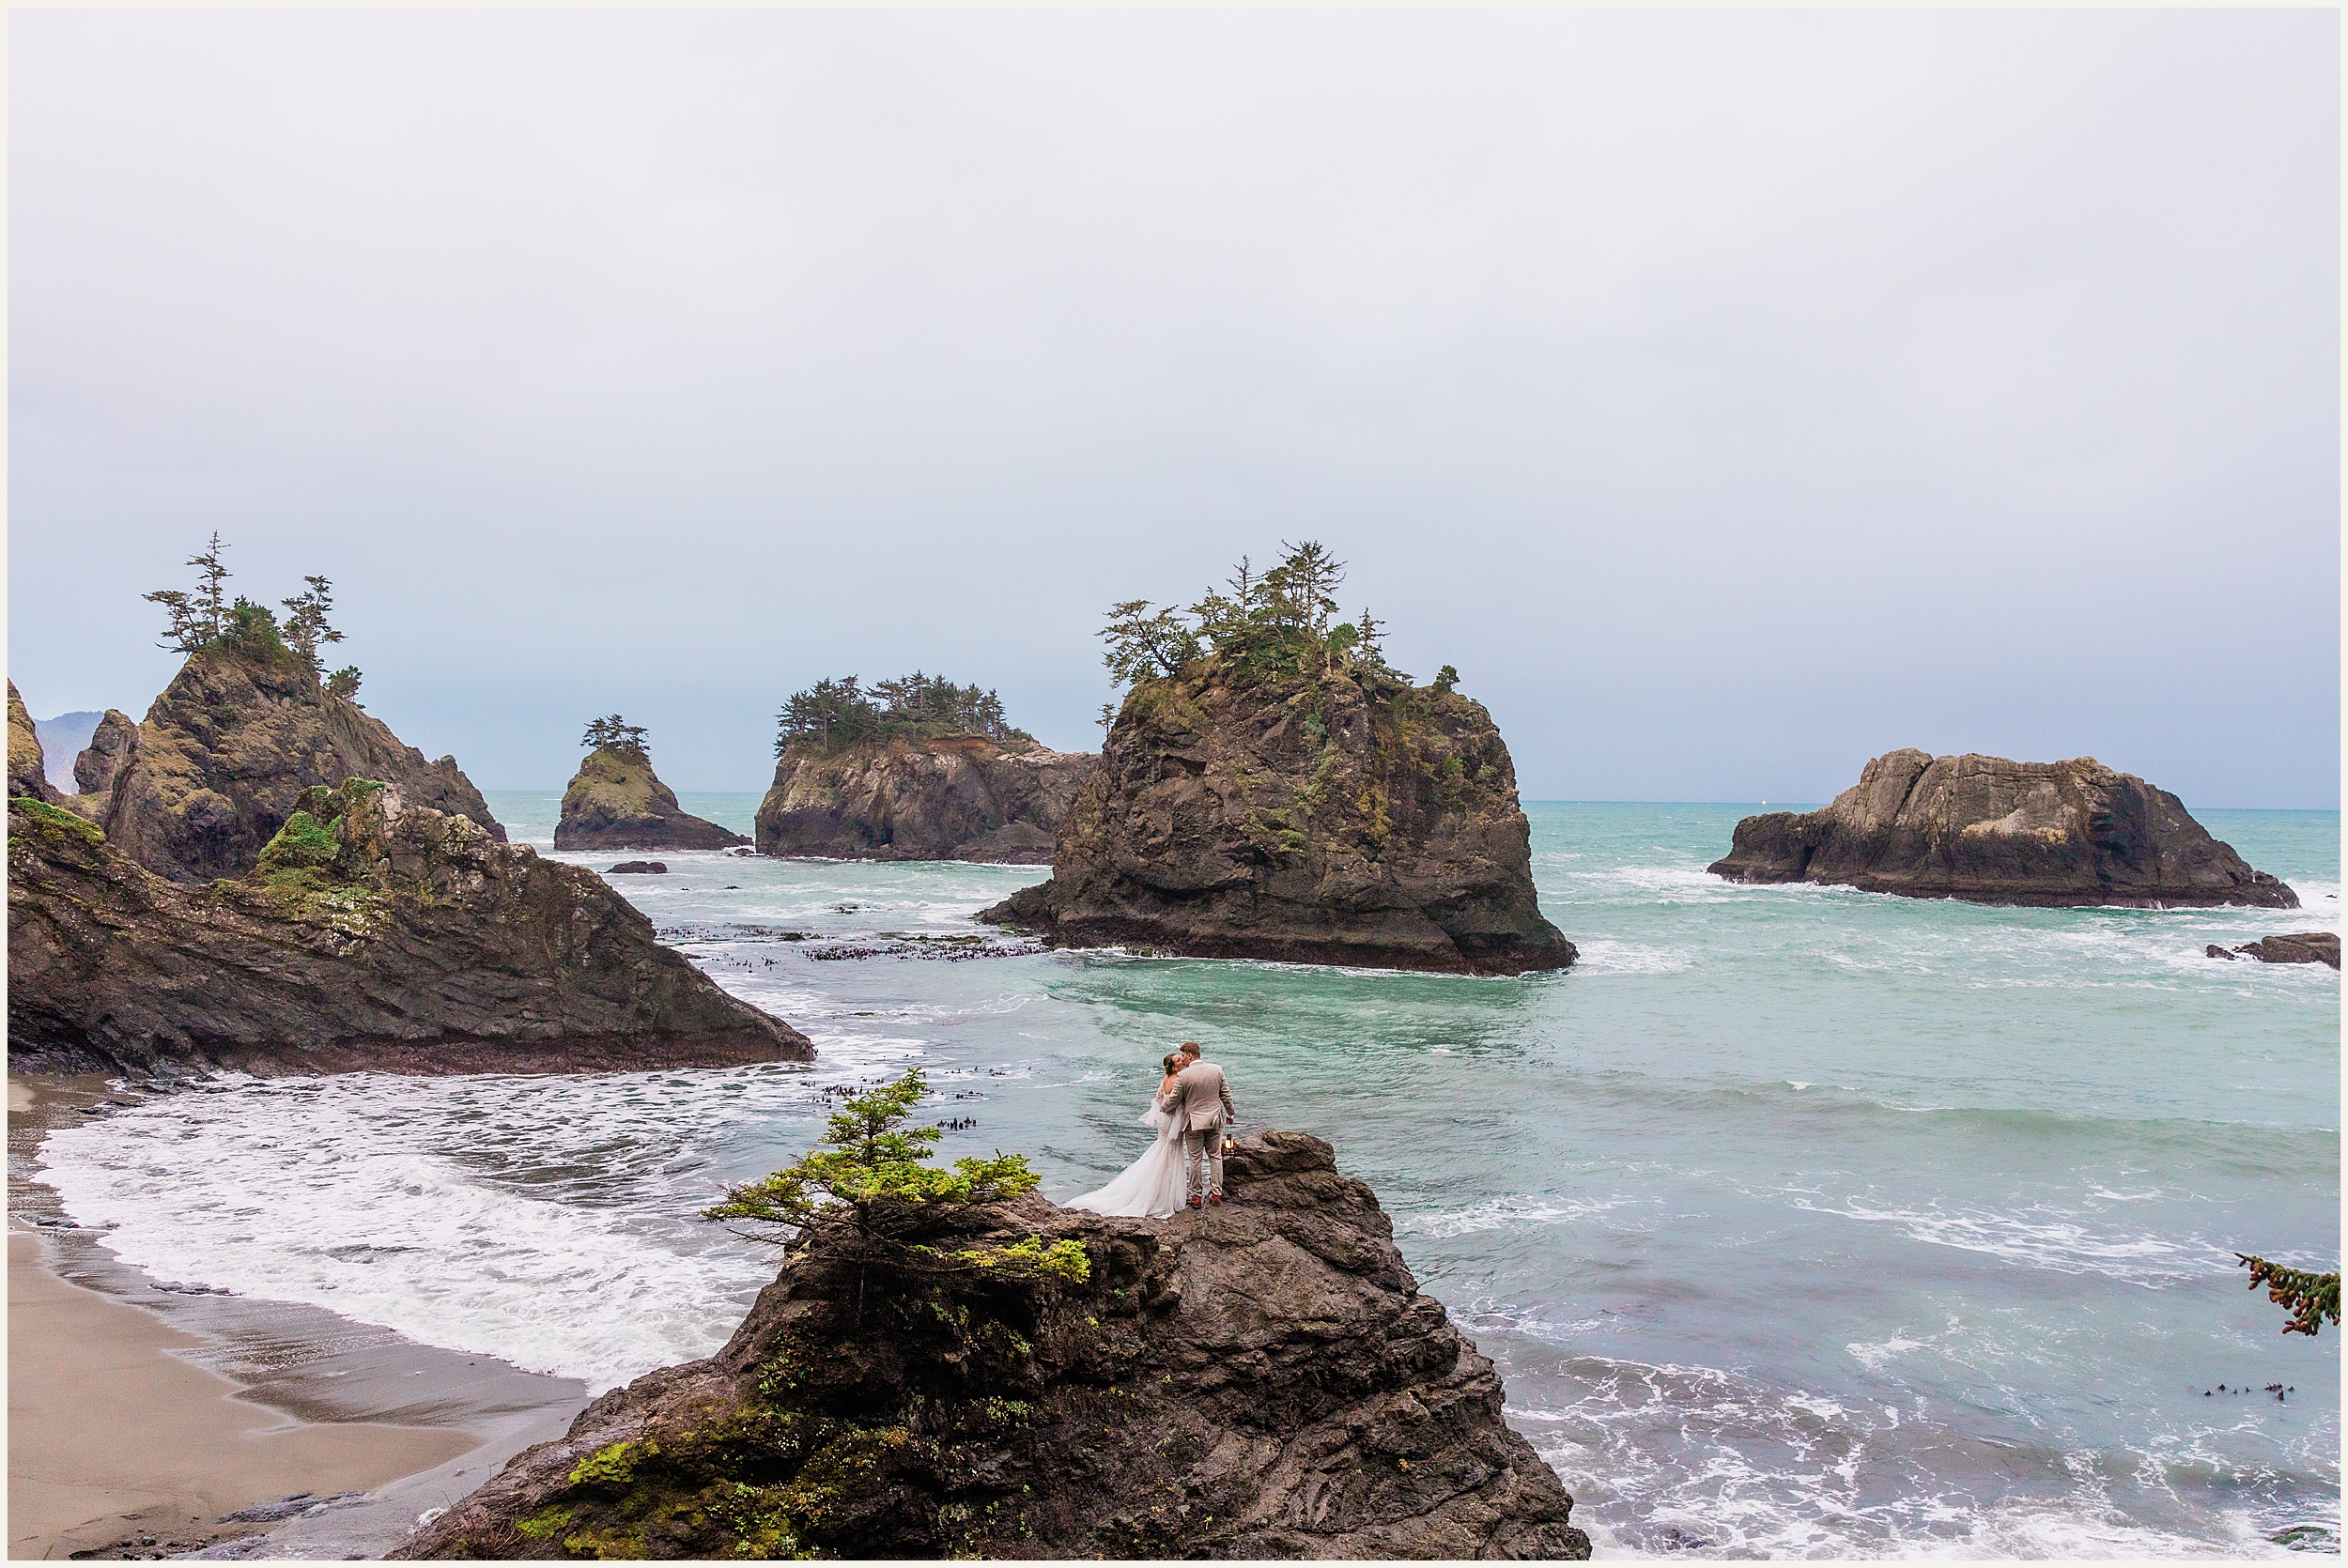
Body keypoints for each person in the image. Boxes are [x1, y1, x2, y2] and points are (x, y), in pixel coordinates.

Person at [1064, 1052, 1192, 1219]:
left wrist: (1163, 1110)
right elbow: (1174, 1101)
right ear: (1174, 1067)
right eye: (1178, 1060)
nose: (1182, 1060)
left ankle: (1161, 1191)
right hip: (1171, 1119)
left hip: (1164, 1120)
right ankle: (1166, 1197)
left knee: (1164, 1150)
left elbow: (1158, 1098)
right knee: (1172, 1152)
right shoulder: (1177, 1080)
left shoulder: (1165, 1080)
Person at [1157, 1040, 1237, 1207]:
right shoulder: (1217, 1070)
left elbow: (1173, 1101)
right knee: (1215, 1156)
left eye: (1184, 1056)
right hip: (1215, 1120)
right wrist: (1230, 1113)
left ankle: (1196, 1197)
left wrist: (1161, 1107)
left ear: (1190, 1055)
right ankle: (1216, 1194)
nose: (1183, 1060)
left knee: (1195, 1159)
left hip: (1193, 1123)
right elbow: (1226, 1096)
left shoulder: (1184, 1076)